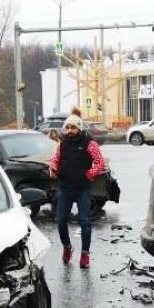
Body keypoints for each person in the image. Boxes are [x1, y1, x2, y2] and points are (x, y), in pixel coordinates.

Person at [49, 113, 107, 268]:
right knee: (61, 221)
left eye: (73, 127)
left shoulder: (89, 144)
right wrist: (53, 167)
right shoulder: (62, 144)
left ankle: (85, 254)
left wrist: (90, 174)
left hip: (82, 188)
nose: (69, 130)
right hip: (65, 187)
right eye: (67, 127)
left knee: (85, 222)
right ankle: (67, 247)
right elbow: (55, 159)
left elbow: (100, 163)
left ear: (79, 128)